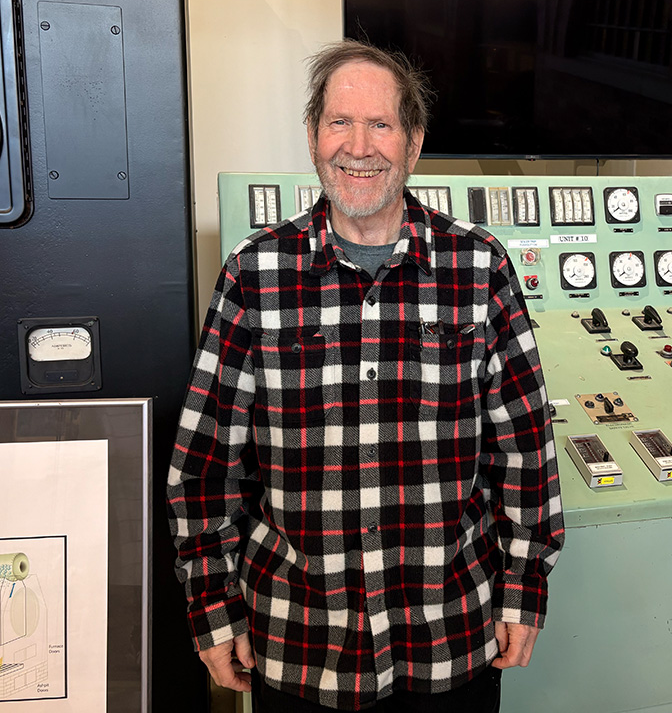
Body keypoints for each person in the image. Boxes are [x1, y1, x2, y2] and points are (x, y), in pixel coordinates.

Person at [168, 40, 564, 712]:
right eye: (338, 123)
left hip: (450, 641)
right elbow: (205, 467)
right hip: (300, 648)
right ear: (313, 138)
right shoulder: (254, 273)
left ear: (413, 144)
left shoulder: (480, 267)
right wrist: (211, 603)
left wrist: (525, 586)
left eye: (381, 124)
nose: (359, 145)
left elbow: (525, 449)